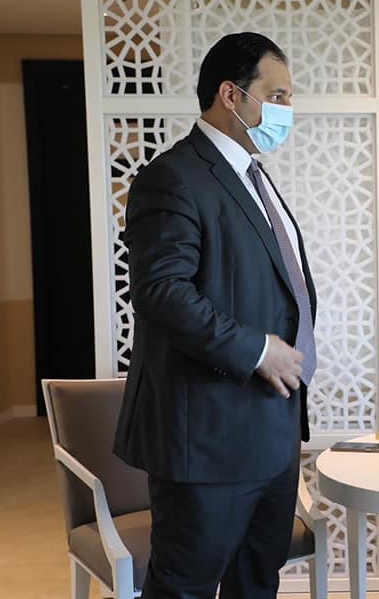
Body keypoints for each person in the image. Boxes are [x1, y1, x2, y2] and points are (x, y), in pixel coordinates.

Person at [114, 32, 317, 599]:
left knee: (257, 583)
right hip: (208, 439)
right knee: (186, 588)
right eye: (277, 95)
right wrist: (259, 350)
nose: (287, 109)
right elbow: (161, 292)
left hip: (272, 429)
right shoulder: (173, 176)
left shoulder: (254, 175)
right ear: (232, 95)